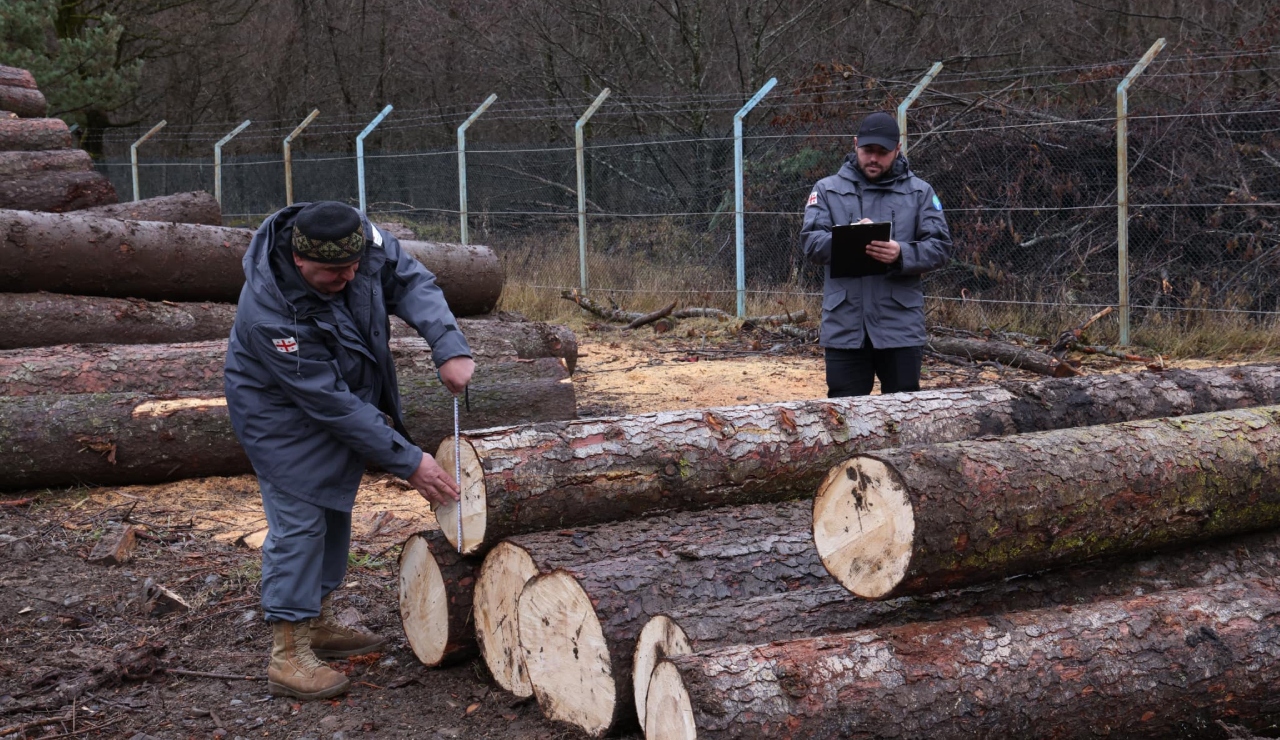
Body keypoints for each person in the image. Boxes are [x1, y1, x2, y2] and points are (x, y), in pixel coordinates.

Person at [224, 201, 475, 700]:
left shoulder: (356, 242)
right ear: (300, 261)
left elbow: (410, 282)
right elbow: (330, 404)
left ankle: (316, 622)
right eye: (335, 272)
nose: (351, 276)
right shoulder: (271, 313)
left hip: (339, 397)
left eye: (354, 266)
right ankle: (287, 654)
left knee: (334, 508)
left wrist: (448, 345)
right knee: (300, 522)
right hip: (280, 416)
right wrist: (409, 461)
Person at [800, 111, 952, 397]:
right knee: (843, 416)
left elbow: (940, 246)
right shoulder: (826, 190)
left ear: (898, 149)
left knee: (905, 414)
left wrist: (901, 253)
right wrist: (849, 240)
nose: (874, 158)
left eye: (882, 152)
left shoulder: (920, 193)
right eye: (867, 150)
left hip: (900, 327)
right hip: (845, 326)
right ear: (855, 144)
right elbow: (810, 242)